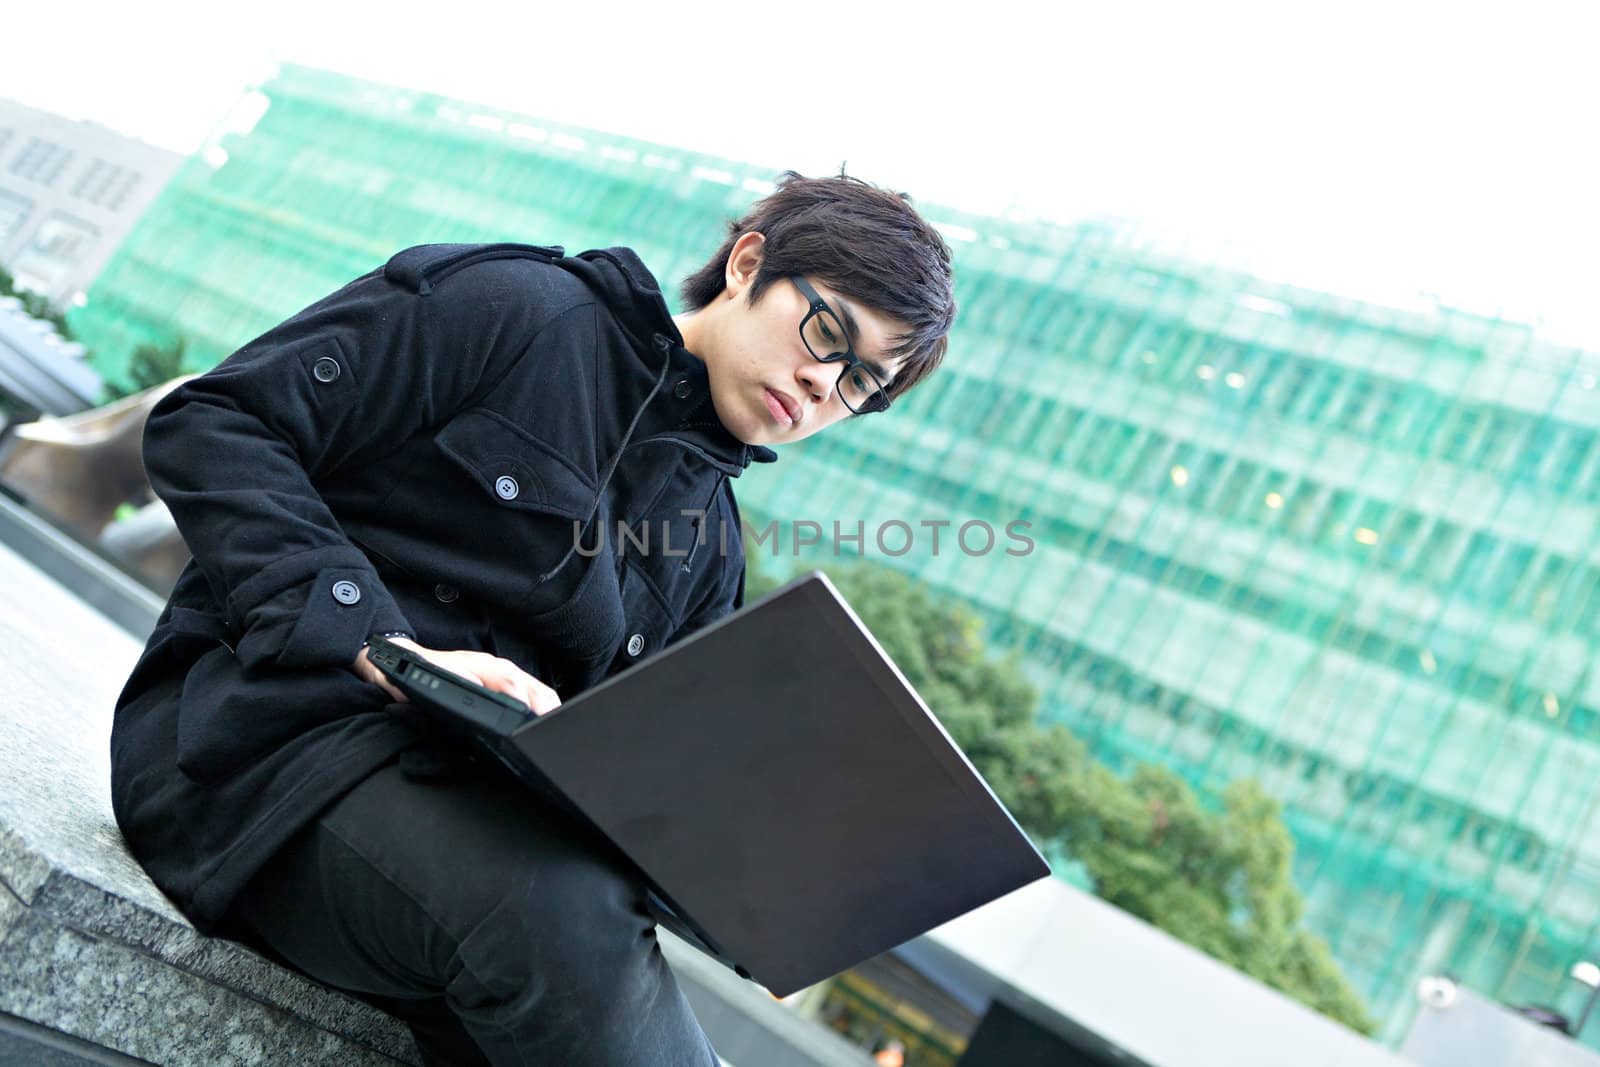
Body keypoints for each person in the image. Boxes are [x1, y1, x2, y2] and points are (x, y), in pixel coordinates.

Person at [108, 171, 957, 1065]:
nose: (824, 385)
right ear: (750, 263)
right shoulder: (517, 308)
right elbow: (215, 424)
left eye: (863, 383)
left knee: (578, 953)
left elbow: (637, 781)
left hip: (467, 846)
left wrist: (751, 896)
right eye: (828, 334)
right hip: (255, 759)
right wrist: (375, 639)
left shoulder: (711, 547)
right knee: (565, 917)